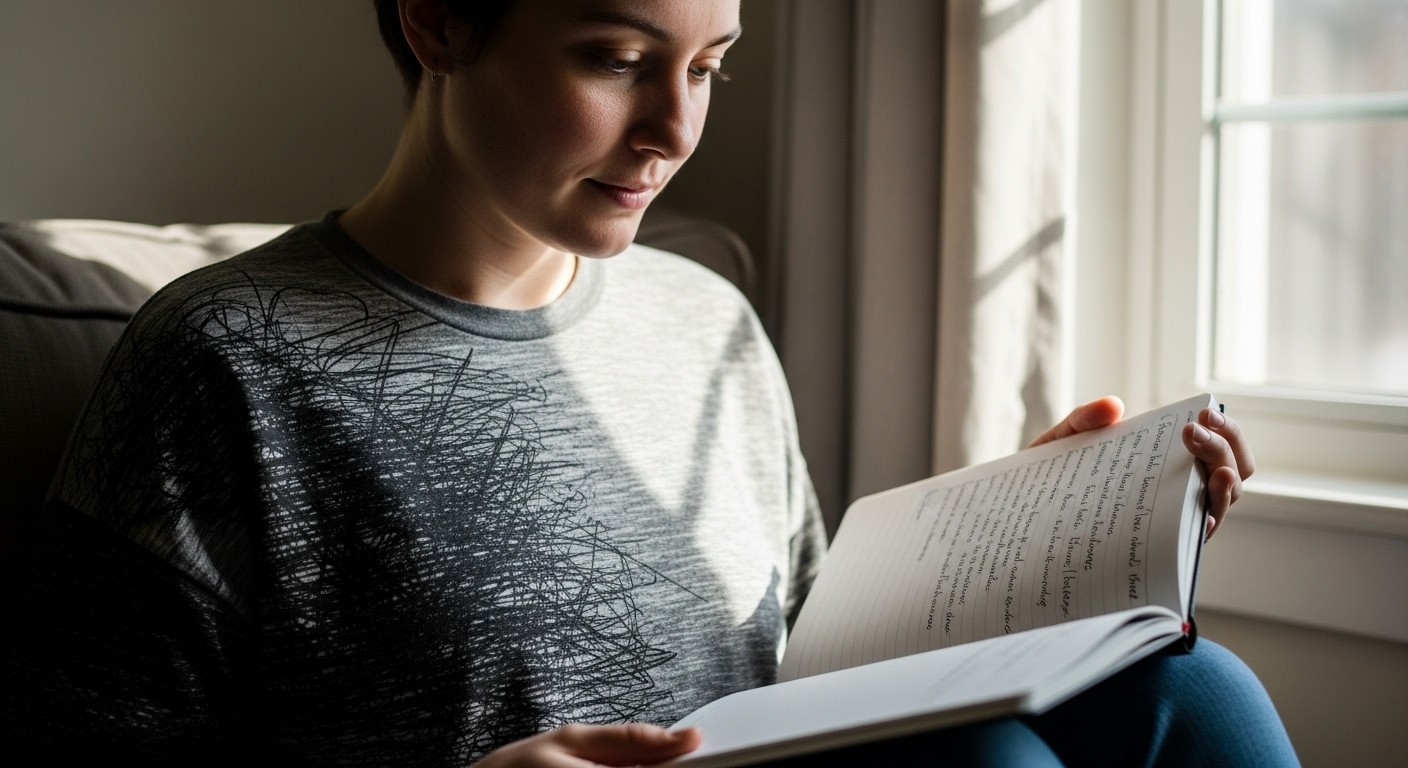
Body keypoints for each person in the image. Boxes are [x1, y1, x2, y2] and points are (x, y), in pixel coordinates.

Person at [0, 1, 1297, 765]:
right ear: (437, 19)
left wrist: (1040, 535)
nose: (675, 132)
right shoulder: (225, 358)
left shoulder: (705, 315)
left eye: (711, 67)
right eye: (618, 58)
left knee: (1195, 685)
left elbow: (801, 657)